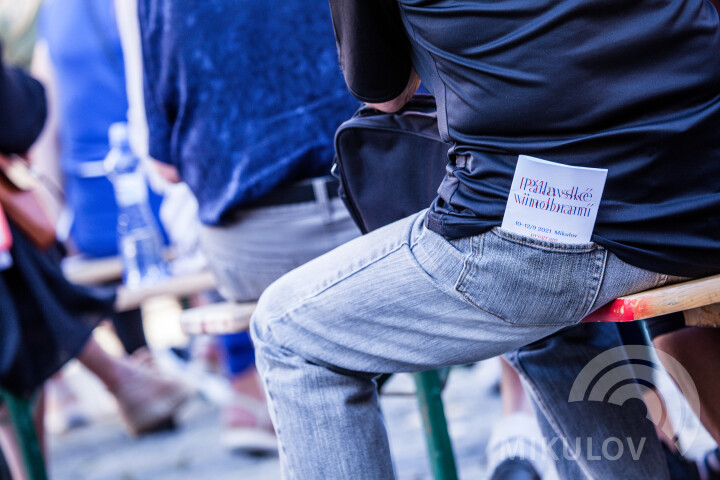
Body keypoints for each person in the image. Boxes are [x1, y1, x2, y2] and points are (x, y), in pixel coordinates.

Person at [248, 0, 720, 478]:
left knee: (287, 333)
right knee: (545, 324)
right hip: (704, 193)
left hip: (560, 222)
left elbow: (386, 91)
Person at [137, 0, 360, 451]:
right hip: (364, 222)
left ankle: (257, 396)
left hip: (250, 250)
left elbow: (166, 168)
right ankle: (513, 424)